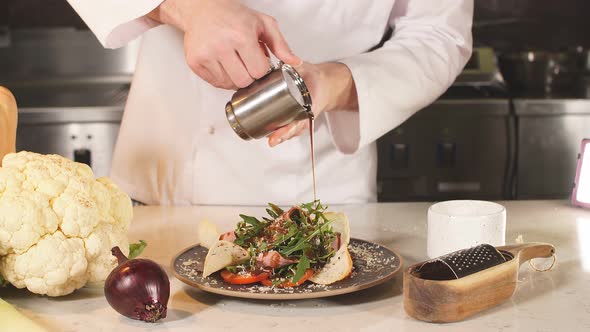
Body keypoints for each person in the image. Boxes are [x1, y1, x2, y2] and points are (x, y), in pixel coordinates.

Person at [66, 0, 473, 206]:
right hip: (163, 181)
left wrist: (335, 82)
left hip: (317, 185)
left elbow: (439, 33)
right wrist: (187, 7)